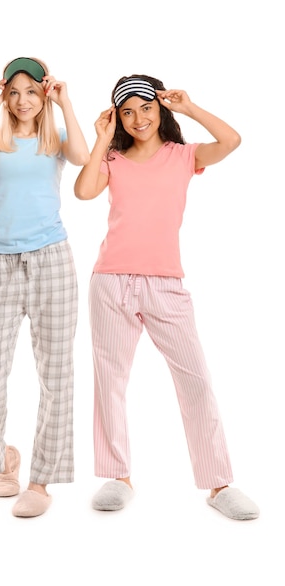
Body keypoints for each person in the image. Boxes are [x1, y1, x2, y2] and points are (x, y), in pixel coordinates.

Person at [74, 74, 259, 520]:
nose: (138, 118)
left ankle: (218, 484)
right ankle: (117, 475)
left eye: (146, 108)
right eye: (127, 111)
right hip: (111, 281)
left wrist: (190, 107)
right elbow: (83, 192)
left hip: (166, 285)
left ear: (161, 111)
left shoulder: (183, 156)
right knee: (110, 380)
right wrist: (101, 139)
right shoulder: (113, 157)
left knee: (195, 380)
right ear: (118, 116)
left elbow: (231, 140)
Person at [0, 57, 90, 518]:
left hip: (53, 260)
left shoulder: (57, 139)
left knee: (56, 377)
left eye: (31, 91)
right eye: (13, 92)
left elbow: (83, 159)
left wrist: (65, 101)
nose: (21, 100)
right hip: (0, 261)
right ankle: (2, 460)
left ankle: (40, 480)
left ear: (43, 94)